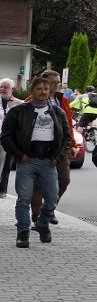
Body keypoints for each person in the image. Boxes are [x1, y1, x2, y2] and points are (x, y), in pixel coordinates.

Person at [1, 76, 69, 246]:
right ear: (32, 91)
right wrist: (19, 155)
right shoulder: (18, 111)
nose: (43, 92)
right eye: (39, 89)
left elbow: (66, 137)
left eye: (46, 89)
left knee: (52, 198)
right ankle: (23, 232)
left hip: (48, 161)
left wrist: (58, 157)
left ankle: (43, 224)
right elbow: (6, 137)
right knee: (23, 198)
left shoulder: (57, 112)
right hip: (27, 161)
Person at [31, 70, 75, 226]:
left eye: (58, 82)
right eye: (53, 82)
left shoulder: (62, 100)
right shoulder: (31, 100)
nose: (57, 85)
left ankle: (49, 209)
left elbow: (68, 124)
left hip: (59, 148)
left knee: (64, 180)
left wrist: (73, 144)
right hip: (38, 149)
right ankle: (37, 218)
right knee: (38, 185)